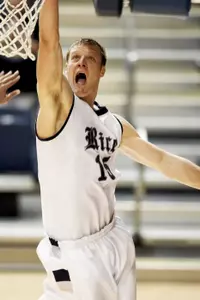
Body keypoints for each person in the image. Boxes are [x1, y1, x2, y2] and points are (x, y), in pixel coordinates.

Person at [7, 0, 200, 299]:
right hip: (74, 252)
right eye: (74, 58)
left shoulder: (115, 125)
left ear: (102, 71)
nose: (80, 63)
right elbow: (48, 41)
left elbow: (162, 160)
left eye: (89, 59)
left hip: (114, 238)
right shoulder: (58, 108)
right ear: (66, 67)